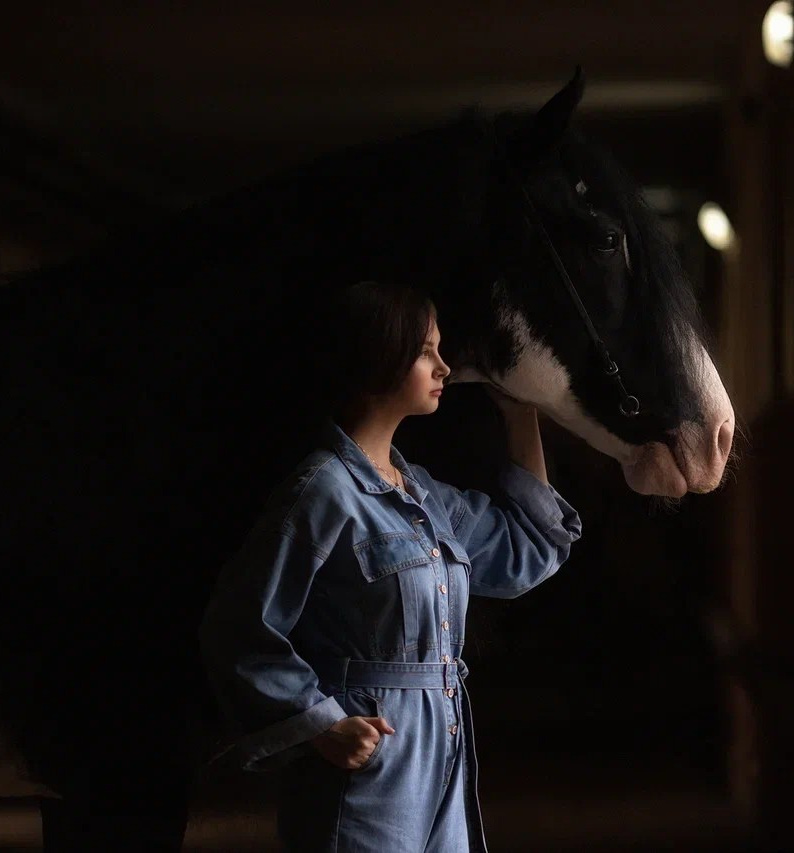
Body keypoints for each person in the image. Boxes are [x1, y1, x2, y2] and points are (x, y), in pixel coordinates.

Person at [198, 280, 581, 852]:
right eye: (427, 350)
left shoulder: (424, 496)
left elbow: (531, 549)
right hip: (372, 756)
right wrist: (321, 723)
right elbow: (239, 627)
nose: (445, 366)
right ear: (381, 354)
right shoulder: (323, 493)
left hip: (444, 749)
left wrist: (520, 415)